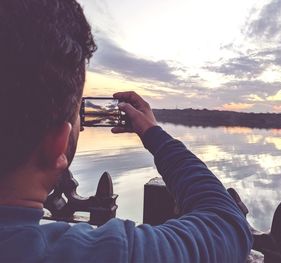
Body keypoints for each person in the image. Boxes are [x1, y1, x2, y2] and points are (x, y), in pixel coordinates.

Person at [0, 0, 252, 262]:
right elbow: (227, 223)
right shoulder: (103, 254)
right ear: (57, 146)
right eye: (78, 112)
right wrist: (153, 133)